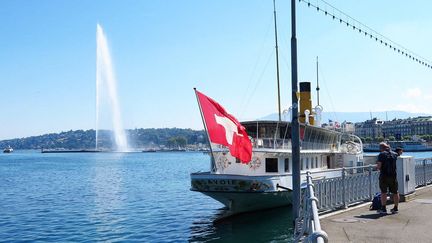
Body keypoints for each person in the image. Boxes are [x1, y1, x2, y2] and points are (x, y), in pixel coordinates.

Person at [376, 142, 399, 214]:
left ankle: (383, 209)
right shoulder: (395, 154)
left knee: (383, 192)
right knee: (395, 192)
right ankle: (395, 208)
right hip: (393, 176)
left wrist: (376, 168)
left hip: (384, 176)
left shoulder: (381, 154)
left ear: (381, 148)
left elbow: (379, 166)